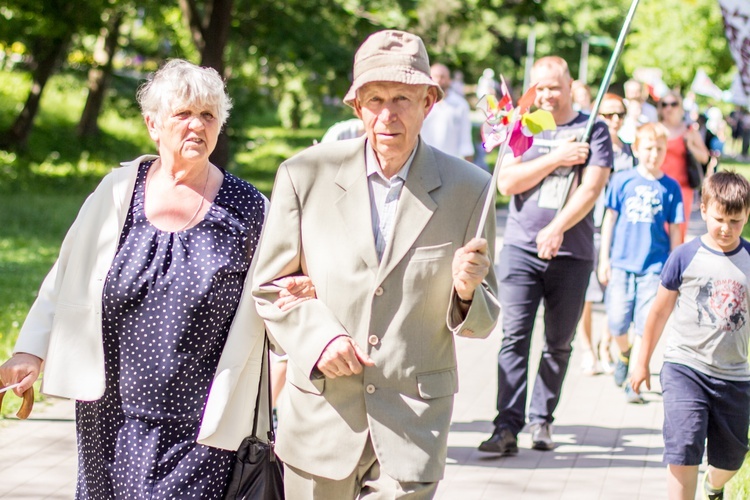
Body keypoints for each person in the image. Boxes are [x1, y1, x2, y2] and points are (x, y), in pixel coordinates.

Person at [0, 59, 300, 498]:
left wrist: (268, 398)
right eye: (183, 114)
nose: (197, 125)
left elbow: (277, 301)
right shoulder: (119, 191)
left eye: (208, 115)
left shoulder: (249, 209)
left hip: (203, 427)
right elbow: (67, 275)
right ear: (153, 124)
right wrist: (29, 351)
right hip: (108, 414)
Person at [252, 29, 500, 498]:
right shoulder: (304, 175)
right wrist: (320, 339)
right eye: (375, 99)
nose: (388, 115)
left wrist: (467, 295)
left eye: (403, 99)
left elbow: (484, 321)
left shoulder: (471, 189)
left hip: (412, 427)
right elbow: (270, 287)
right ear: (356, 106)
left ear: (429, 102)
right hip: (322, 421)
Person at [478, 56, 613, 455]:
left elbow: (591, 189)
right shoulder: (524, 123)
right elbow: (507, 181)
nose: (548, 95)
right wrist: (557, 157)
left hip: (572, 253)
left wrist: (556, 228)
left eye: (555, 86)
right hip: (520, 248)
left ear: (570, 84)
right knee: (514, 337)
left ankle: (542, 421)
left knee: (558, 343)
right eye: (540, 87)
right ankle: (505, 427)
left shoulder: (594, 128)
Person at [630, 171, 750, 500]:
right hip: (685, 367)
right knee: (683, 447)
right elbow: (658, 313)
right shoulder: (684, 256)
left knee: (732, 459)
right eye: (719, 219)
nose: (726, 228)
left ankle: (714, 487)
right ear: (703, 209)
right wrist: (641, 362)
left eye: (735, 221)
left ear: (747, 215)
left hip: (734, 376)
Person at [597, 122, 684, 404]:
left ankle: (633, 382)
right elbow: (609, 220)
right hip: (621, 264)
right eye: (648, 148)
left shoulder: (670, 187)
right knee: (617, 322)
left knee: (645, 324)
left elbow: (675, 230)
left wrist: (674, 270)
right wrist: (604, 259)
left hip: (654, 268)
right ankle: (623, 353)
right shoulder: (622, 180)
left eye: (659, 148)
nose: (654, 153)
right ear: (636, 148)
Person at [577, 93, 637, 376]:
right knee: (586, 292)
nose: (615, 120)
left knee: (613, 290)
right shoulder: (587, 147)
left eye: (620, 114)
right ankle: (587, 348)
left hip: (620, 230)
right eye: (609, 114)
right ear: (598, 116)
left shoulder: (628, 151)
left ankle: (606, 344)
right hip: (590, 226)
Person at [658, 90, 710, 241]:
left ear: (680, 107)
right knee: (659, 227)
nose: (669, 108)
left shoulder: (689, 131)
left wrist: (690, 146)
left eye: (673, 104)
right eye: (664, 104)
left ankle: (675, 261)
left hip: (682, 189)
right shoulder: (656, 128)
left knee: (678, 228)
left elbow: (705, 157)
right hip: (659, 185)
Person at [420, 63, 475, 162]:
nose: (439, 80)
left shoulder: (460, 105)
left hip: (450, 162)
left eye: (442, 77)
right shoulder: (420, 103)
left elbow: (465, 138)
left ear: (449, 80)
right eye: (435, 76)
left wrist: (468, 162)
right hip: (423, 159)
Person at [621, 79, 658, 145]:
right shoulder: (620, 106)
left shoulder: (651, 110)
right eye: (631, 91)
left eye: (637, 91)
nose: (634, 95)